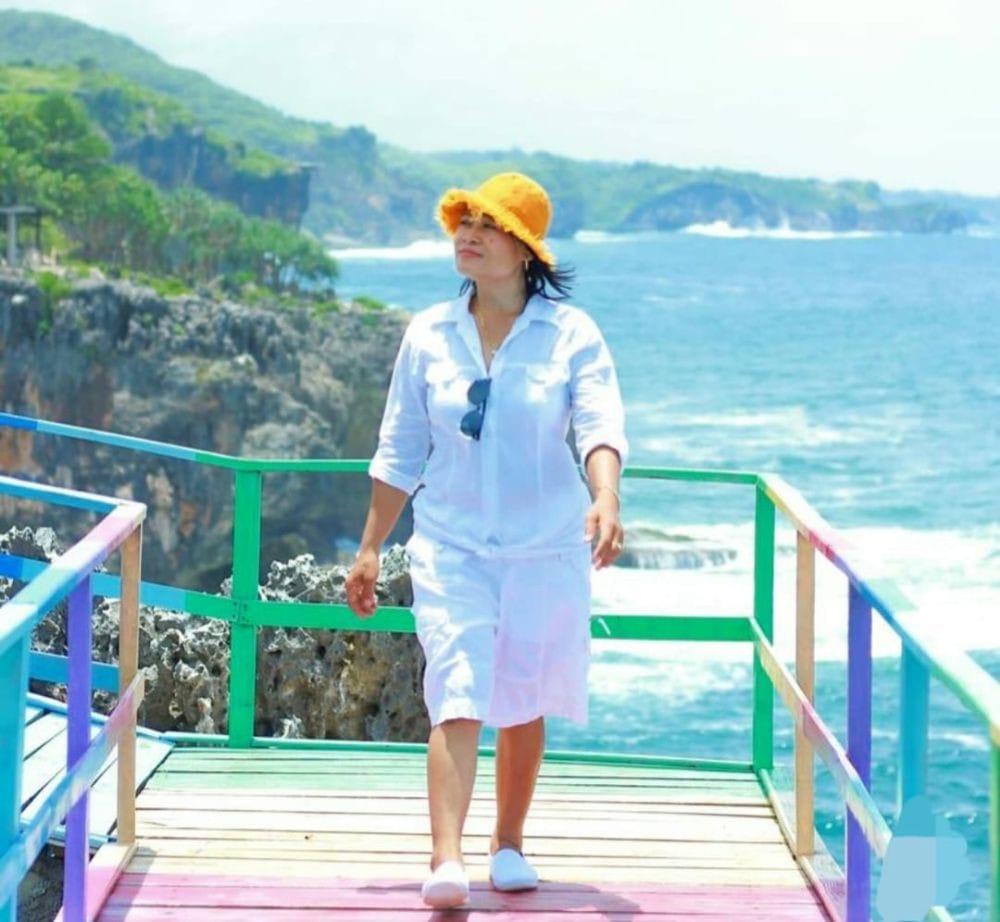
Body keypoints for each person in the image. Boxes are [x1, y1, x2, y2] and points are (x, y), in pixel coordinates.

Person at [345, 171, 628, 909]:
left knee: (525, 697)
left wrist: (605, 496)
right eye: (463, 221)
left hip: (545, 549)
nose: (467, 234)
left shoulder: (571, 334)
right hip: (451, 545)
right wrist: (372, 545)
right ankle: (447, 860)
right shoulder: (428, 333)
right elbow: (399, 448)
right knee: (459, 689)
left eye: (487, 225)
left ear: (524, 248)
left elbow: (599, 425)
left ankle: (509, 843)